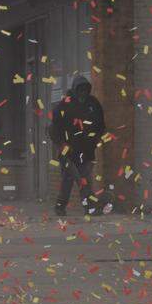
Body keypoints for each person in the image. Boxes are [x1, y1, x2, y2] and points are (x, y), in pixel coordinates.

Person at [49, 75, 104, 216]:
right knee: (75, 178)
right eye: (80, 90)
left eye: (85, 90)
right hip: (68, 150)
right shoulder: (64, 105)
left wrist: (96, 139)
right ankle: (84, 206)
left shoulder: (93, 104)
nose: (83, 94)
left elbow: (100, 125)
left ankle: (72, 206)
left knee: (79, 178)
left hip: (86, 150)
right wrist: (61, 144)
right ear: (75, 90)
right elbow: (54, 128)